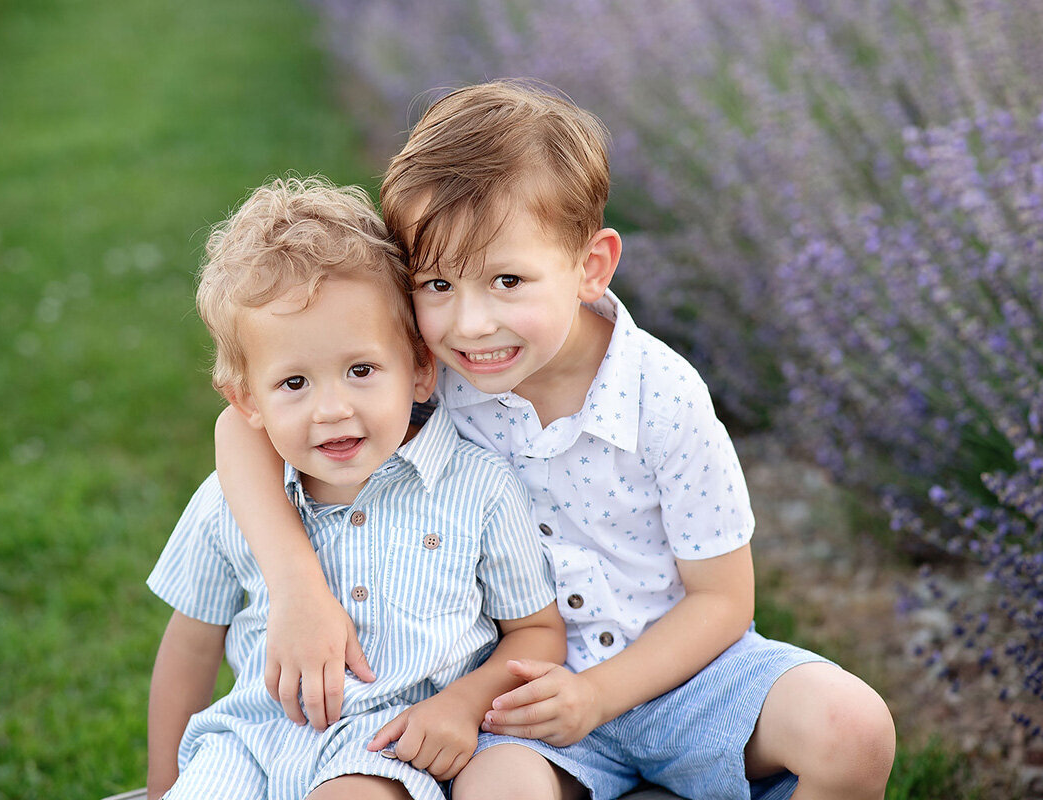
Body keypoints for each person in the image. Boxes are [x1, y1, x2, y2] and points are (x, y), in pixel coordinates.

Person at [214, 82, 897, 800]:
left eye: (507, 279)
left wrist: (600, 694)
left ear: (590, 267)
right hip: (516, 703)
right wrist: (297, 588)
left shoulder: (662, 395)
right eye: (437, 283)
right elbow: (240, 425)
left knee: (853, 727)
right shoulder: (433, 375)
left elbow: (722, 602)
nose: (470, 323)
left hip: (692, 678)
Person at [146, 176, 566, 800]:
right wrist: (164, 784)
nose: (333, 409)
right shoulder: (230, 500)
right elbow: (190, 641)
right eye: (294, 384)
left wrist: (463, 703)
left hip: (382, 750)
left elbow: (535, 631)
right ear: (247, 401)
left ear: (421, 370)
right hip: (247, 743)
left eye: (361, 370)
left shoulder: (477, 489)